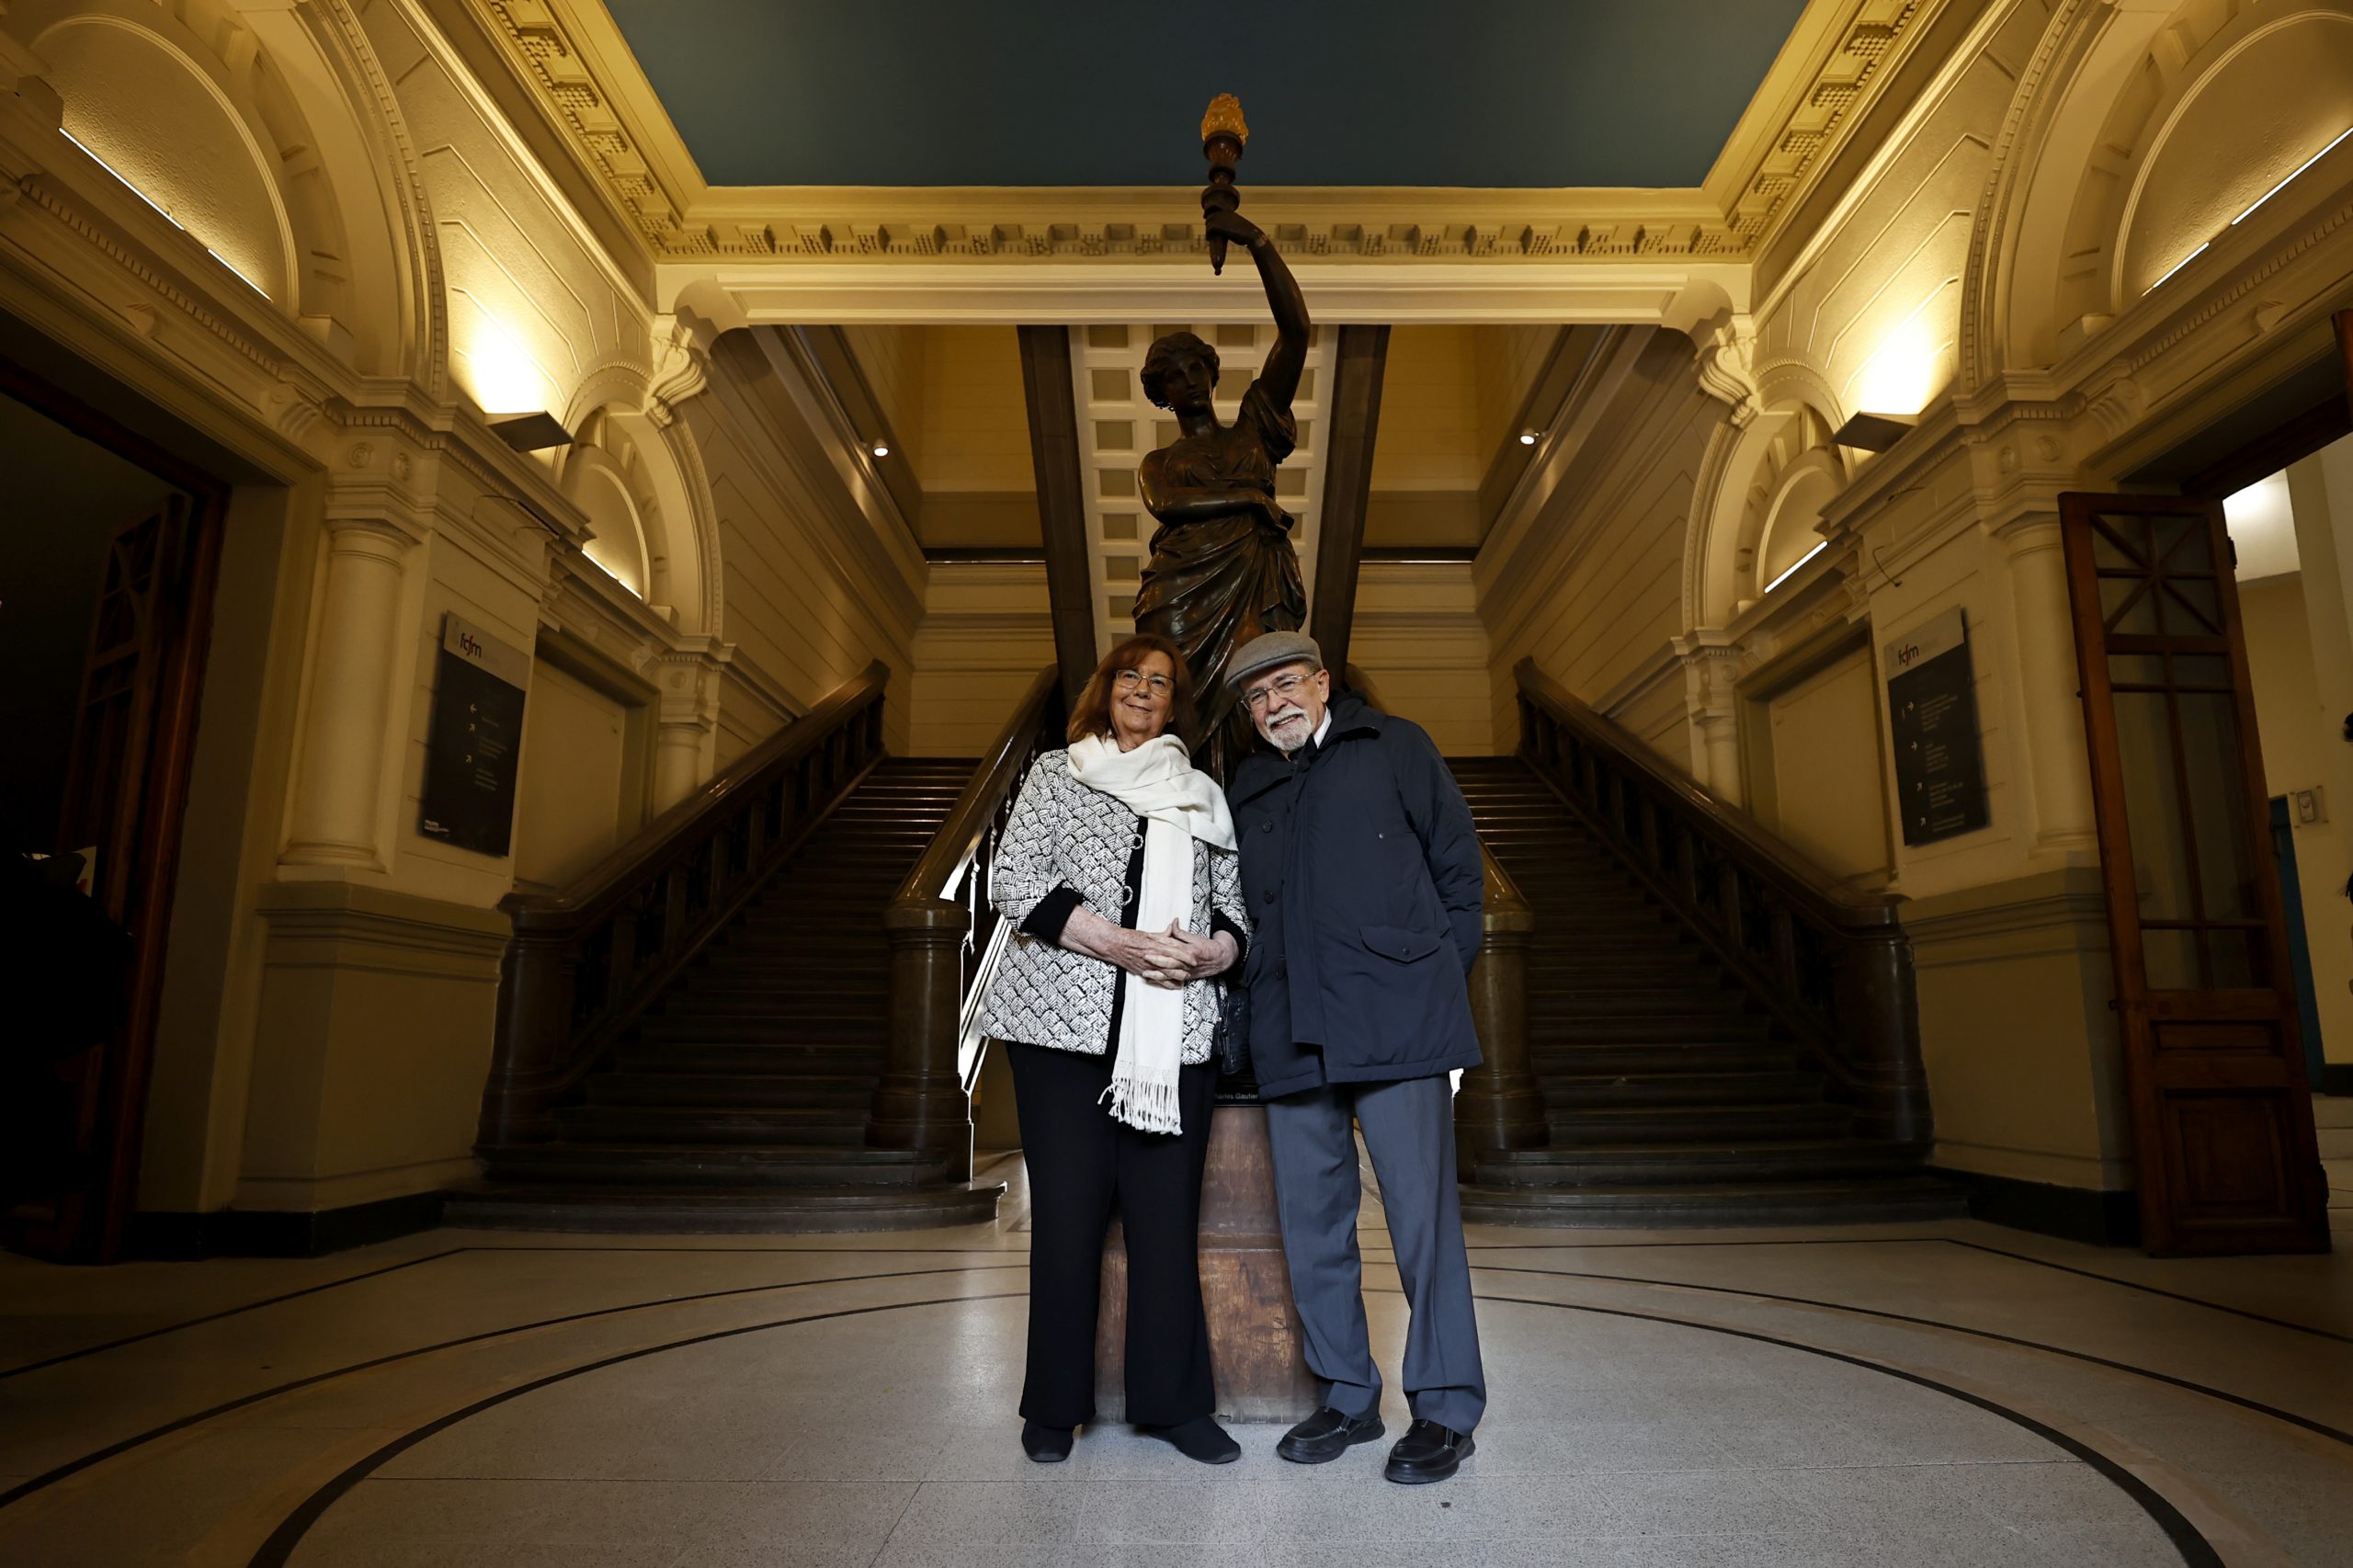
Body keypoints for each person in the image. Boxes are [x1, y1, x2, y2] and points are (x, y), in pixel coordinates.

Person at [979, 633, 1252, 1465]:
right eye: (1131, 675)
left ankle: (1173, 1407)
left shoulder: (1202, 795)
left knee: (1166, 1226)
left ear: (1176, 706)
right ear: (1106, 689)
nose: (1143, 689)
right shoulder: (1058, 775)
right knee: (1067, 1221)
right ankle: (1052, 1407)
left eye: (1160, 682)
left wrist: (1215, 953)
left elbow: (1234, 912)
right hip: (1062, 1035)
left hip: (1174, 1042)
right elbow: (1013, 881)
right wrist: (1116, 942)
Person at [1223, 630, 1487, 1484]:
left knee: (1422, 1225)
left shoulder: (1395, 746)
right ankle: (1347, 1394)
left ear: (1323, 682)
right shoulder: (1249, 784)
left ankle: (1445, 1407)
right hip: (1292, 1031)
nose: (1275, 706)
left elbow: (1459, 877)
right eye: (1258, 698)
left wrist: (1433, 985)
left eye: (1287, 685)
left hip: (1398, 1023)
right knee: (1313, 1228)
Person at [1132, 206, 1310, 778]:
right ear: (1161, 396)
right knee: (1176, 711)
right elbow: (1168, 504)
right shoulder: (1160, 460)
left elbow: (1296, 332)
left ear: (1212, 373)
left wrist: (1256, 240)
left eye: (1195, 368)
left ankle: (1253, 809)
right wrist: (1251, 499)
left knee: (1256, 695)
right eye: (1173, 377)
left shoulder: (1254, 428)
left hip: (1251, 580)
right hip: (1181, 594)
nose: (1188, 381)